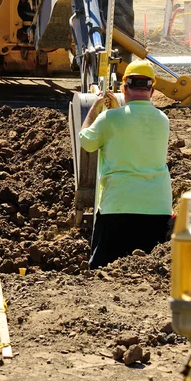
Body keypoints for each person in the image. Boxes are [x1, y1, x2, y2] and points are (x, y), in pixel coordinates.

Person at [79, 59, 172, 269]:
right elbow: (133, 128)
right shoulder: (162, 120)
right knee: (147, 271)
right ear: (152, 91)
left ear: (124, 87)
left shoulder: (109, 119)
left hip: (118, 208)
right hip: (157, 209)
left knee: (102, 270)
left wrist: (95, 109)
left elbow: (86, 141)